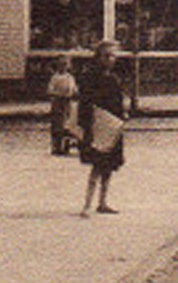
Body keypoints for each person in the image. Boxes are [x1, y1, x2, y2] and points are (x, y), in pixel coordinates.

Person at [78, 40, 127, 216]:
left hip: (113, 124)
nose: (111, 59)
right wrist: (87, 124)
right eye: (107, 56)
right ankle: (87, 204)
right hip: (98, 124)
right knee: (97, 165)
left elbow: (119, 100)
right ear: (98, 57)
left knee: (109, 166)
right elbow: (86, 102)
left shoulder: (113, 77)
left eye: (113, 56)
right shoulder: (91, 76)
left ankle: (102, 201)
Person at [47, 56, 78, 156]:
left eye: (65, 64)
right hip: (58, 103)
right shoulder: (55, 77)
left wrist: (72, 93)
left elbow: (74, 89)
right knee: (57, 125)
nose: (63, 67)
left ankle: (66, 146)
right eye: (61, 64)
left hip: (67, 103)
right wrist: (58, 94)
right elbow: (50, 90)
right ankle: (56, 147)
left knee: (67, 125)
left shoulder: (70, 77)